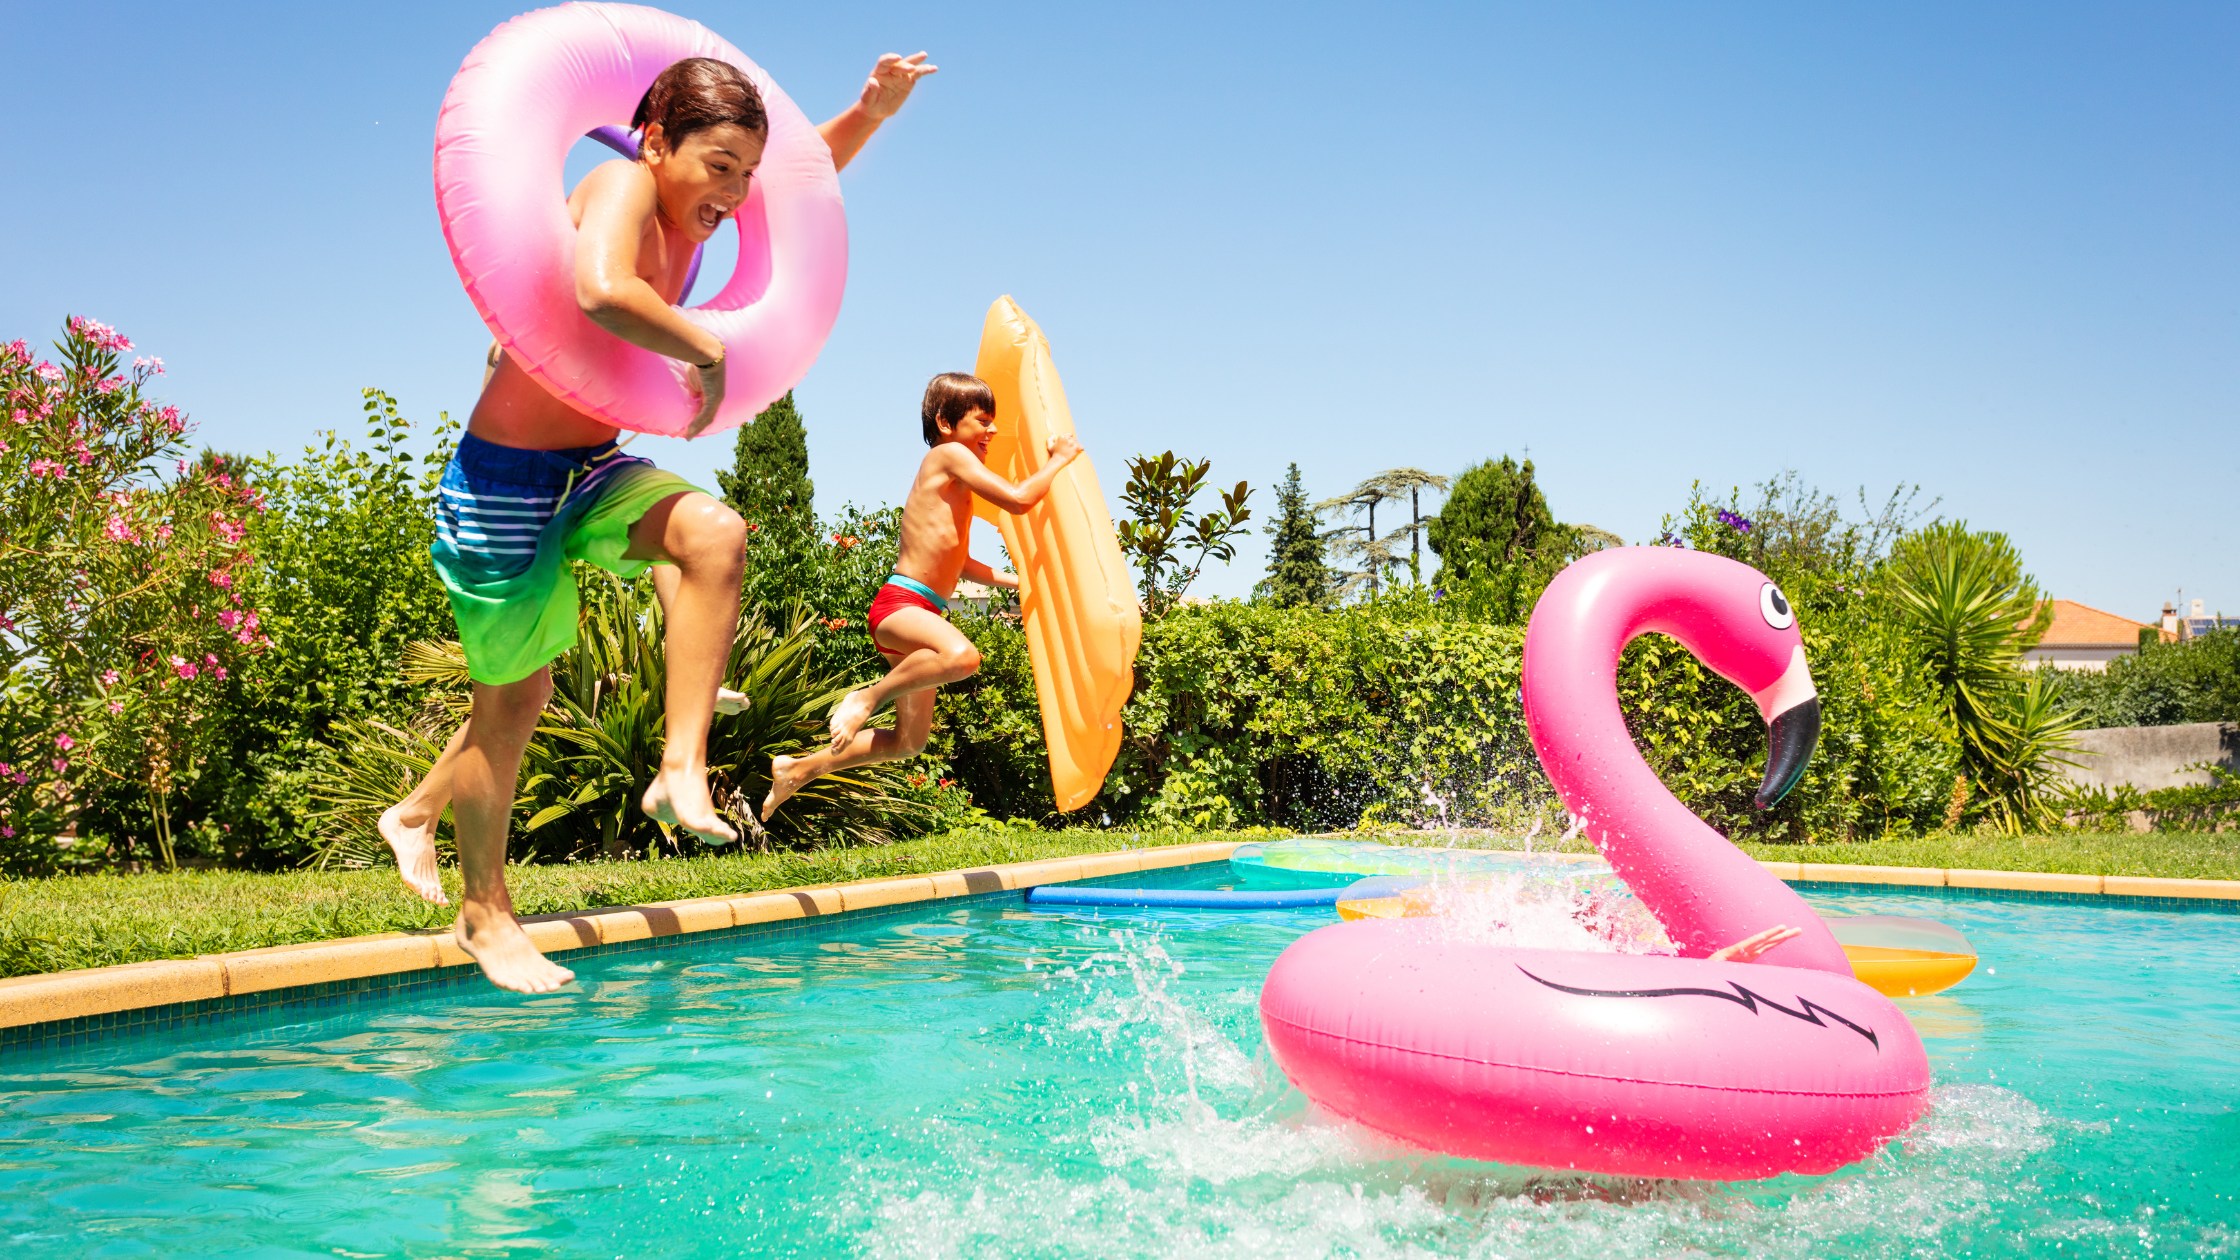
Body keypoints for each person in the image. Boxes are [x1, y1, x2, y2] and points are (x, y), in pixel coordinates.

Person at [381, 51, 936, 994]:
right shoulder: (620, 186)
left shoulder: (700, 213)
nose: (735, 191)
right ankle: (483, 909)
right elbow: (600, 288)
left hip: (591, 466)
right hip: (504, 481)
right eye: (718, 166)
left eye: (745, 173)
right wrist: (704, 345)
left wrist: (868, 113)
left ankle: (680, 765)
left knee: (713, 533)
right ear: (656, 142)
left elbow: (802, 191)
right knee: (515, 701)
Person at [759, 373, 1080, 819]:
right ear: (946, 423)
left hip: (920, 611)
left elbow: (960, 563)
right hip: (902, 605)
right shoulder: (949, 456)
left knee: (907, 743)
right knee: (964, 657)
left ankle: (797, 769)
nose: (992, 431)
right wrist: (1058, 460)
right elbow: (1020, 499)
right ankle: (867, 698)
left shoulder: (955, 481)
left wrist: (1020, 582)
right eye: (982, 421)